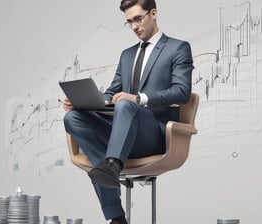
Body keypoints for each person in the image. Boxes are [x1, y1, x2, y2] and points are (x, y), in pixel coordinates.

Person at [63, 0, 194, 223]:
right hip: (122, 134)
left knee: (126, 104)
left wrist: (138, 98)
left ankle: (112, 165)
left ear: (153, 13)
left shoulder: (178, 48)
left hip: (154, 135)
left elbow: (182, 92)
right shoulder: (126, 55)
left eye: (138, 19)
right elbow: (112, 94)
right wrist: (84, 102)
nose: (134, 26)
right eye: (129, 22)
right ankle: (116, 215)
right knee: (72, 118)